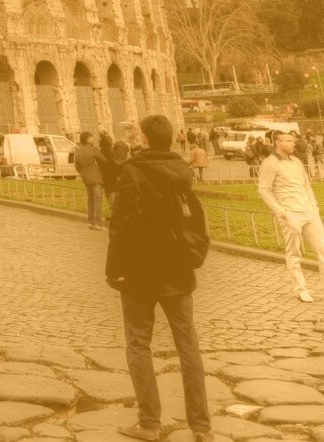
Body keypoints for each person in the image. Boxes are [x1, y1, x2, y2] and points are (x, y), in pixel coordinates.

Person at [106, 114, 213, 442]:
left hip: (139, 270)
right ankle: (202, 427)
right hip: (177, 267)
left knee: (139, 343)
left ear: (145, 139)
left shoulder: (133, 170)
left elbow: (121, 223)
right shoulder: (182, 170)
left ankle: (149, 423)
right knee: (188, 344)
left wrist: (113, 269)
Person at [258, 131, 324, 304]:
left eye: (293, 141)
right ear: (278, 143)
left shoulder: (296, 161)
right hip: (289, 213)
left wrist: (314, 206)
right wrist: (281, 212)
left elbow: (307, 185)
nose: (293, 144)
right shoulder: (270, 163)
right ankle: (301, 289)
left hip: (308, 212)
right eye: (288, 141)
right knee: (294, 253)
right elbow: (263, 190)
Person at [74, 132, 106, 230]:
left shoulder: (78, 151)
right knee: (97, 199)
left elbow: (77, 166)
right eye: (91, 137)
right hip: (96, 177)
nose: (93, 139)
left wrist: (83, 172)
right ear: (87, 139)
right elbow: (104, 160)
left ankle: (91, 222)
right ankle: (98, 223)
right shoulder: (93, 150)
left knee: (90, 199)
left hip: (85, 177)